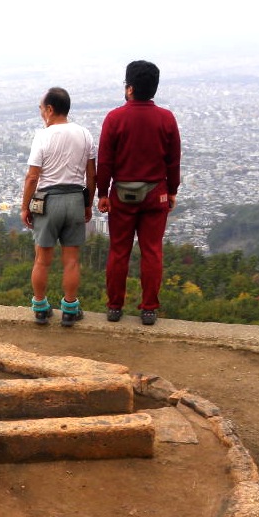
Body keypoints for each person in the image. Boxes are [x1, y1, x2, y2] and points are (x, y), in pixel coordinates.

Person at [96, 60, 181, 325]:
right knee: (152, 251)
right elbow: (173, 160)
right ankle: (149, 309)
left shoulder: (115, 118)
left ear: (130, 88)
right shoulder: (166, 118)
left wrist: (102, 192)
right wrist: (173, 190)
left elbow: (105, 160)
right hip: (156, 193)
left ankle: (114, 307)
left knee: (118, 251)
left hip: (121, 193)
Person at [21, 87, 97, 327]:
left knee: (42, 260)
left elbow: (32, 177)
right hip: (75, 198)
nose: (42, 114)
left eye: (42, 109)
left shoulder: (43, 135)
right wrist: (88, 203)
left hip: (48, 201)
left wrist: (25, 207)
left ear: (50, 109)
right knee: (71, 261)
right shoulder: (85, 134)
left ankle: (41, 308)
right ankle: (69, 309)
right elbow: (91, 175)